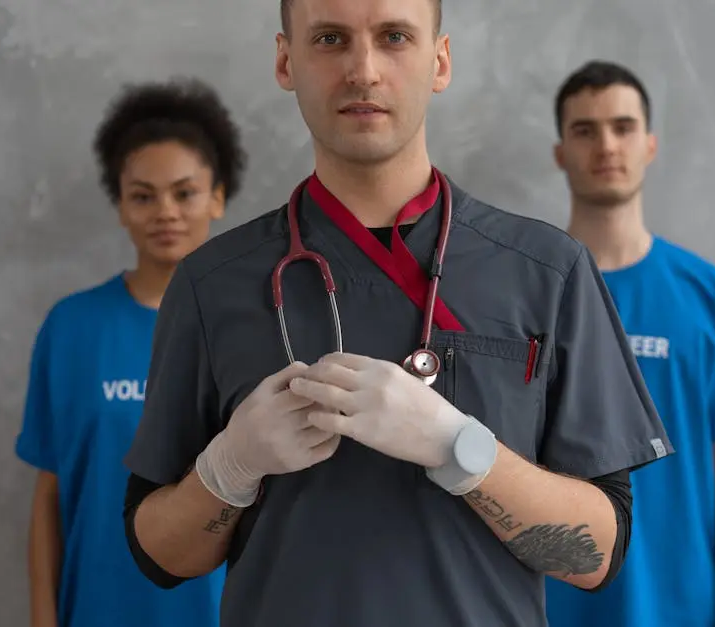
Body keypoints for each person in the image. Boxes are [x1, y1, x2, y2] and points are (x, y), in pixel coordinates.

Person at [121, 3, 674, 626]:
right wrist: (230, 467)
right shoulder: (212, 283)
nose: (363, 70)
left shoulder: (548, 272)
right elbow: (161, 556)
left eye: (394, 37)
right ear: (285, 60)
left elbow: (596, 555)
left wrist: (462, 450)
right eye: (330, 39)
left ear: (439, 60)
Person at [543, 60, 715, 627]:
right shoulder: (527, 292)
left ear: (650, 144)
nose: (606, 145)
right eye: (585, 130)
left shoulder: (709, 295)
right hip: (549, 604)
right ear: (561, 152)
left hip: (680, 603)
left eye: (623, 127)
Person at [14, 77, 247, 627]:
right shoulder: (71, 327)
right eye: (143, 195)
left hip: (220, 612)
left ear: (217, 195)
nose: (164, 211)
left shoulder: (254, 328)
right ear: (120, 205)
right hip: (97, 609)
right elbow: (49, 496)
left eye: (184, 192)